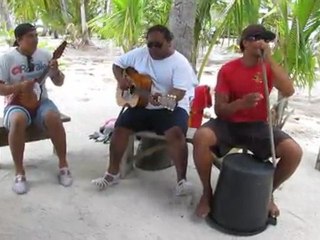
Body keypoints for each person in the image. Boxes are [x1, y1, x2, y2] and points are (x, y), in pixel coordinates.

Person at [192, 24, 303, 218]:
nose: (264, 43)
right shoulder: (228, 70)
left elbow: (289, 91)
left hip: (258, 126)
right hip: (229, 124)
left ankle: (267, 193)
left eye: (266, 40)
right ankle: (207, 193)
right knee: (201, 137)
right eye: (258, 38)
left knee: (294, 152)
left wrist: (269, 59)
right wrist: (241, 104)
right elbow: (220, 110)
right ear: (245, 43)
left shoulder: (268, 68)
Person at [92, 25, 197, 196]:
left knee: (176, 134)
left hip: (172, 107)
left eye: (158, 44)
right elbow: (117, 64)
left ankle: (181, 181)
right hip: (142, 105)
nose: (153, 49)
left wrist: (162, 100)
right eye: (150, 44)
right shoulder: (140, 53)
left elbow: (178, 94)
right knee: (120, 128)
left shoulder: (180, 63)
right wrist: (121, 81)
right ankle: (112, 174)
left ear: (170, 43)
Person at [0, 23, 73, 194]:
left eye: (36, 35)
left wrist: (55, 72)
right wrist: (19, 87)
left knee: (54, 117)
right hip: (16, 102)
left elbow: (59, 82)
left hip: (41, 100)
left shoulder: (46, 55)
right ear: (19, 40)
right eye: (30, 36)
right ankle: (20, 173)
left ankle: (63, 166)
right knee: (17, 121)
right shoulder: (7, 59)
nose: (35, 40)